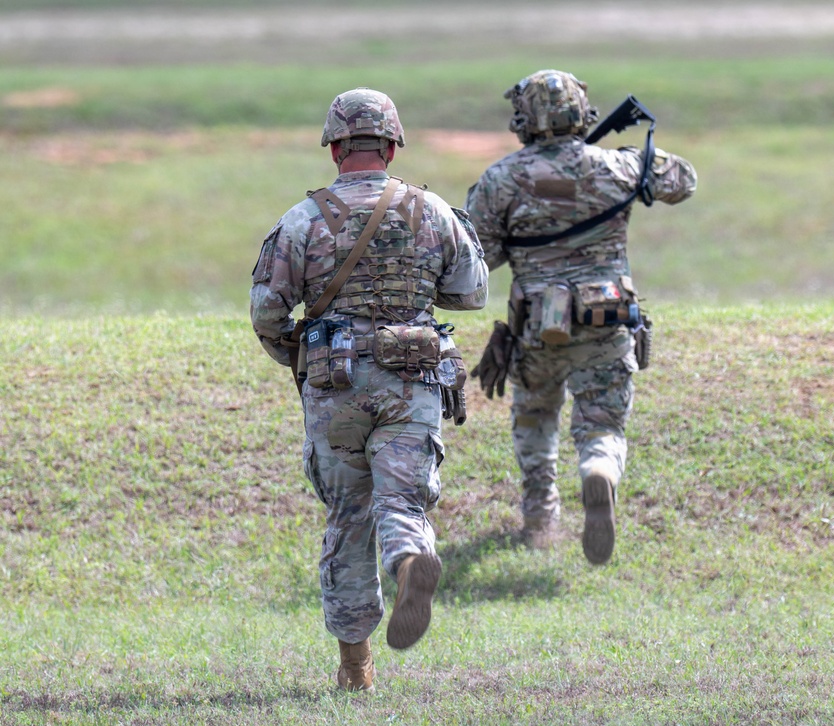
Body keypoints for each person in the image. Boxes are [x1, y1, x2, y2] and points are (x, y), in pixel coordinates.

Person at [250, 88, 489, 692]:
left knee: (348, 516)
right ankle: (409, 560)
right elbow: (471, 292)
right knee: (401, 504)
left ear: (334, 147)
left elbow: (267, 313)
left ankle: (355, 671)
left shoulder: (300, 221)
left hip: (336, 388)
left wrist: (298, 361)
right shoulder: (432, 210)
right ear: (390, 144)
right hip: (412, 382)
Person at [464, 69, 696, 564]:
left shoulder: (501, 179)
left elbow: (477, 254)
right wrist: (635, 162)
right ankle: (598, 470)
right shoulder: (616, 167)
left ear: (522, 119)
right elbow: (684, 182)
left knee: (535, 415)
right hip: (607, 319)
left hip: (535, 328)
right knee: (603, 422)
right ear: (582, 113)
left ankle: (540, 519)